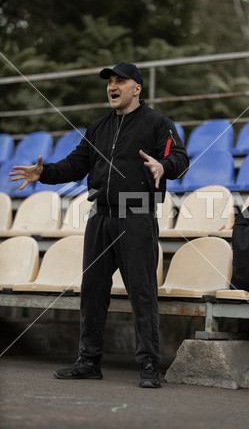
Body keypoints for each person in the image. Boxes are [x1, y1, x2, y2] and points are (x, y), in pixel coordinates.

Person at [10, 62, 189, 388]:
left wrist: (163, 166)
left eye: (120, 80)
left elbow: (179, 158)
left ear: (137, 88)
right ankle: (88, 361)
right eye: (109, 81)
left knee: (142, 292)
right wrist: (43, 173)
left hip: (137, 217)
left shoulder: (158, 124)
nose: (112, 86)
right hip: (101, 217)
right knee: (92, 291)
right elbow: (74, 165)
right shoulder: (98, 127)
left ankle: (149, 364)